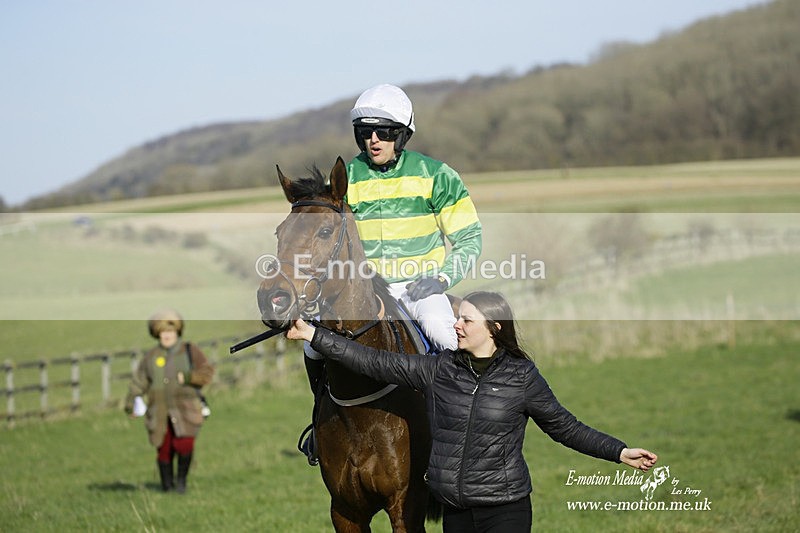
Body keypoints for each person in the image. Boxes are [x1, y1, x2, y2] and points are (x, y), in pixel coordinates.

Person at [288, 291, 658, 532]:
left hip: (504, 510)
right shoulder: (440, 369)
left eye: (466, 320)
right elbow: (374, 362)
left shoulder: (522, 377)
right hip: (457, 513)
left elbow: (566, 427)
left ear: (494, 328)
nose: (456, 325)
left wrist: (619, 451)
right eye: (459, 317)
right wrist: (314, 336)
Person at [300, 83, 483, 464]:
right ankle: (320, 424)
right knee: (311, 345)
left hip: (421, 288)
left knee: (443, 334)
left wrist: (442, 278)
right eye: (365, 132)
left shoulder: (436, 175)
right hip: (365, 292)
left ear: (402, 134)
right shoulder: (345, 179)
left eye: (384, 132)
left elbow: (469, 238)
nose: (374, 140)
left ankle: (469, 427)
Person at [124, 309, 215, 494]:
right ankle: (167, 486)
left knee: (184, 444)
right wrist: (130, 404)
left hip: (187, 409)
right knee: (164, 449)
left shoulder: (190, 351)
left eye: (170, 331)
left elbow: (206, 373)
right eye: (163, 332)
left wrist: (189, 377)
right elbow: (138, 383)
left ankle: (181, 483)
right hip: (159, 411)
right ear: (157, 334)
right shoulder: (150, 357)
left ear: (177, 332)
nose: (166, 336)